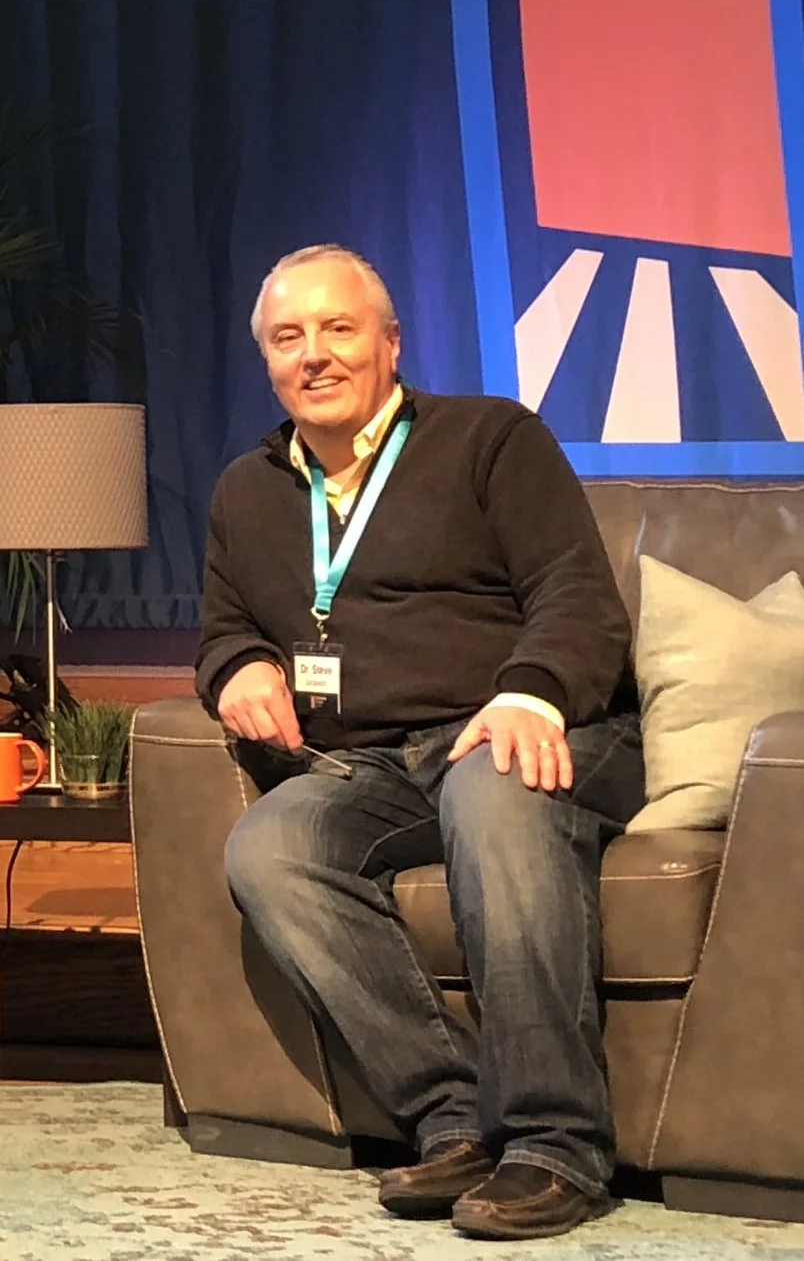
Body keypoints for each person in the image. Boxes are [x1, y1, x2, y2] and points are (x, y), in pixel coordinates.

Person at [201, 245, 643, 1240]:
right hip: (373, 762)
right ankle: (455, 1118)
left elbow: (577, 596)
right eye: (288, 336)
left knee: (493, 788)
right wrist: (236, 667)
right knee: (270, 847)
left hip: (536, 726)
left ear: (391, 343)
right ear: (267, 361)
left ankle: (555, 1145)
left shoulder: (491, 439)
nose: (314, 354)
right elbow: (223, 626)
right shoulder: (246, 490)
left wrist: (530, 693)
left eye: (338, 328)